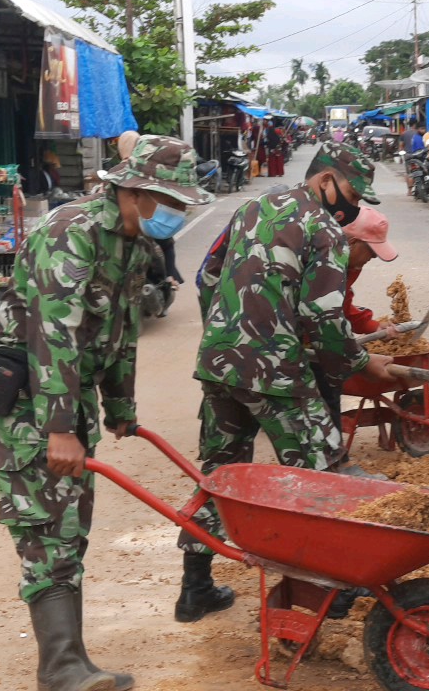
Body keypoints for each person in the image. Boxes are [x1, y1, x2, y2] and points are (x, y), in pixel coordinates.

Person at [0, 135, 213, 691]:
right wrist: (59, 429)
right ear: (134, 191)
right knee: (45, 522)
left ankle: (71, 659)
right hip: (31, 390)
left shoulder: (131, 244)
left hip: (68, 389)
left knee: (71, 521)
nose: (175, 214)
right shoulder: (70, 232)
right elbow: (53, 334)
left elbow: (121, 330)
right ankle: (60, 667)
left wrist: (121, 404)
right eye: (169, 202)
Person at [175, 143, 395, 623]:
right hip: (274, 371)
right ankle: (330, 592)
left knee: (219, 472)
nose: (354, 208)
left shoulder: (252, 207)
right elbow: (325, 321)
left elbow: (209, 274)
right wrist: (362, 363)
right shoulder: (327, 232)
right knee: (325, 472)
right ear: (325, 181)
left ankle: (195, 588)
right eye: (353, 195)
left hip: (218, 363)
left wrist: (228, 332)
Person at [315, 206, 399, 432]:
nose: (372, 258)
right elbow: (324, 316)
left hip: (315, 333)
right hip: (292, 337)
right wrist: (360, 359)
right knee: (324, 388)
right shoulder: (321, 260)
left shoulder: (351, 263)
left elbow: (342, 302)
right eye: (371, 251)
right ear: (352, 242)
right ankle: (330, 457)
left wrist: (372, 325)